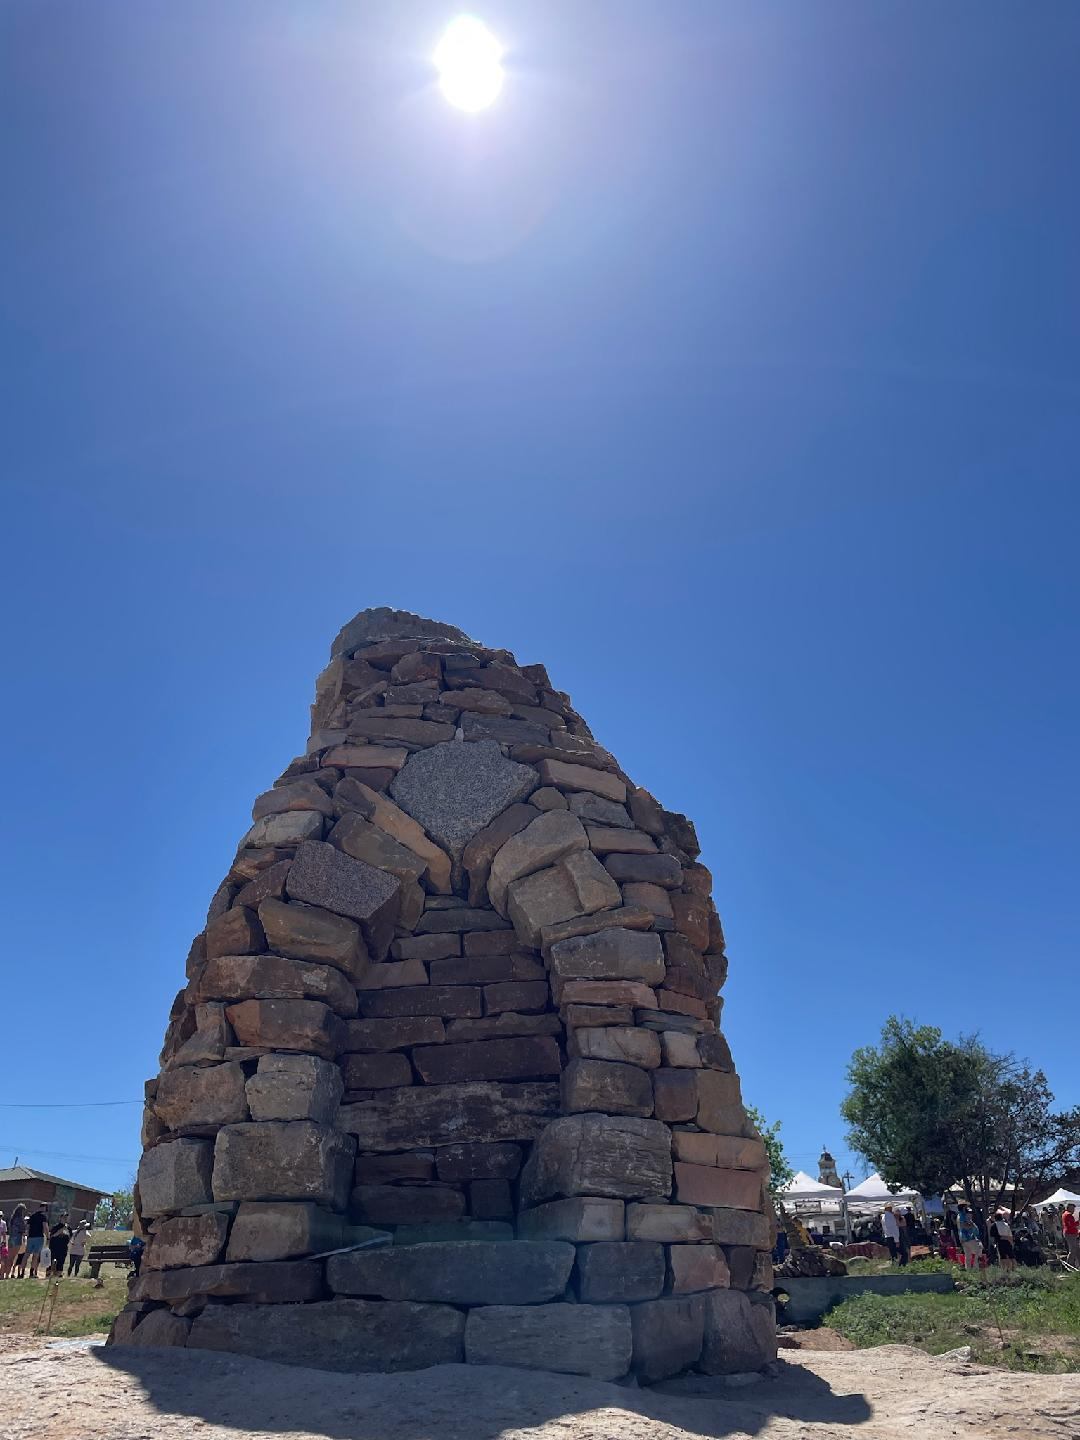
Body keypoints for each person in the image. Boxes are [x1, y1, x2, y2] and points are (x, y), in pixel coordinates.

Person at [25, 1204, 50, 1279]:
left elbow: (28, 1227)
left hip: (30, 1237)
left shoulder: (32, 1216)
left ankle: (21, 1272)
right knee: (35, 1256)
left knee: (26, 1255)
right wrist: (48, 1237)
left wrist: (28, 1235)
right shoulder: (43, 1216)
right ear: (44, 1208)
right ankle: (31, 1272)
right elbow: (45, 1227)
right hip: (39, 1237)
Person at [3, 1204, 28, 1278]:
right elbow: (23, 1230)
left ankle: (3, 1273)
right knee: (12, 1258)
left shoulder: (12, 1218)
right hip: (17, 1238)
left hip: (11, 1238)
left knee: (9, 1257)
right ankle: (7, 1274)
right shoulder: (20, 1219)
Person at [957, 1204, 983, 1269]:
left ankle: (968, 1270)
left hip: (963, 1238)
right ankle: (975, 1268)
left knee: (968, 1255)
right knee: (977, 1252)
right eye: (966, 1207)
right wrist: (972, 1225)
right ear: (963, 1208)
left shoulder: (959, 1215)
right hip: (968, 1237)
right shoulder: (962, 1215)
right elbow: (964, 1226)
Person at [1063, 1203, 1080, 1270]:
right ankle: (1069, 1265)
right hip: (1070, 1234)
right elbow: (1072, 1225)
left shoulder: (1065, 1214)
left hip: (1071, 1233)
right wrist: (1078, 1222)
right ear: (1069, 1208)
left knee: (1077, 1249)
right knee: (1072, 1250)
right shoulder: (1068, 1215)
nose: (1073, 1210)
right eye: (1072, 1208)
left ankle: (1077, 1264)